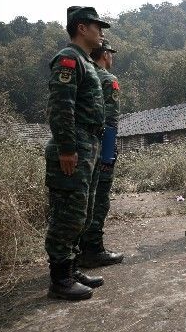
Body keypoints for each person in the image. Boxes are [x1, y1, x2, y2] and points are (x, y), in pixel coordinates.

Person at [44, 6, 109, 300]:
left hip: (88, 145)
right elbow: (61, 108)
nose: (101, 32)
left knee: (81, 211)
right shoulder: (69, 59)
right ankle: (60, 280)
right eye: (97, 26)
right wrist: (67, 148)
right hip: (74, 147)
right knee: (67, 214)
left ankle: (71, 269)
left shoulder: (85, 61)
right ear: (82, 28)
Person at [78, 39, 125, 267]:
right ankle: (93, 249)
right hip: (99, 149)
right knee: (100, 198)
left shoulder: (83, 73)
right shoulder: (107, 79)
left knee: (83, 199)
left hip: (80, 148)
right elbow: (111, 120)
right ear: (105, 54)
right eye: (111, 54)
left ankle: (78, 249)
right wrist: (108, 154)